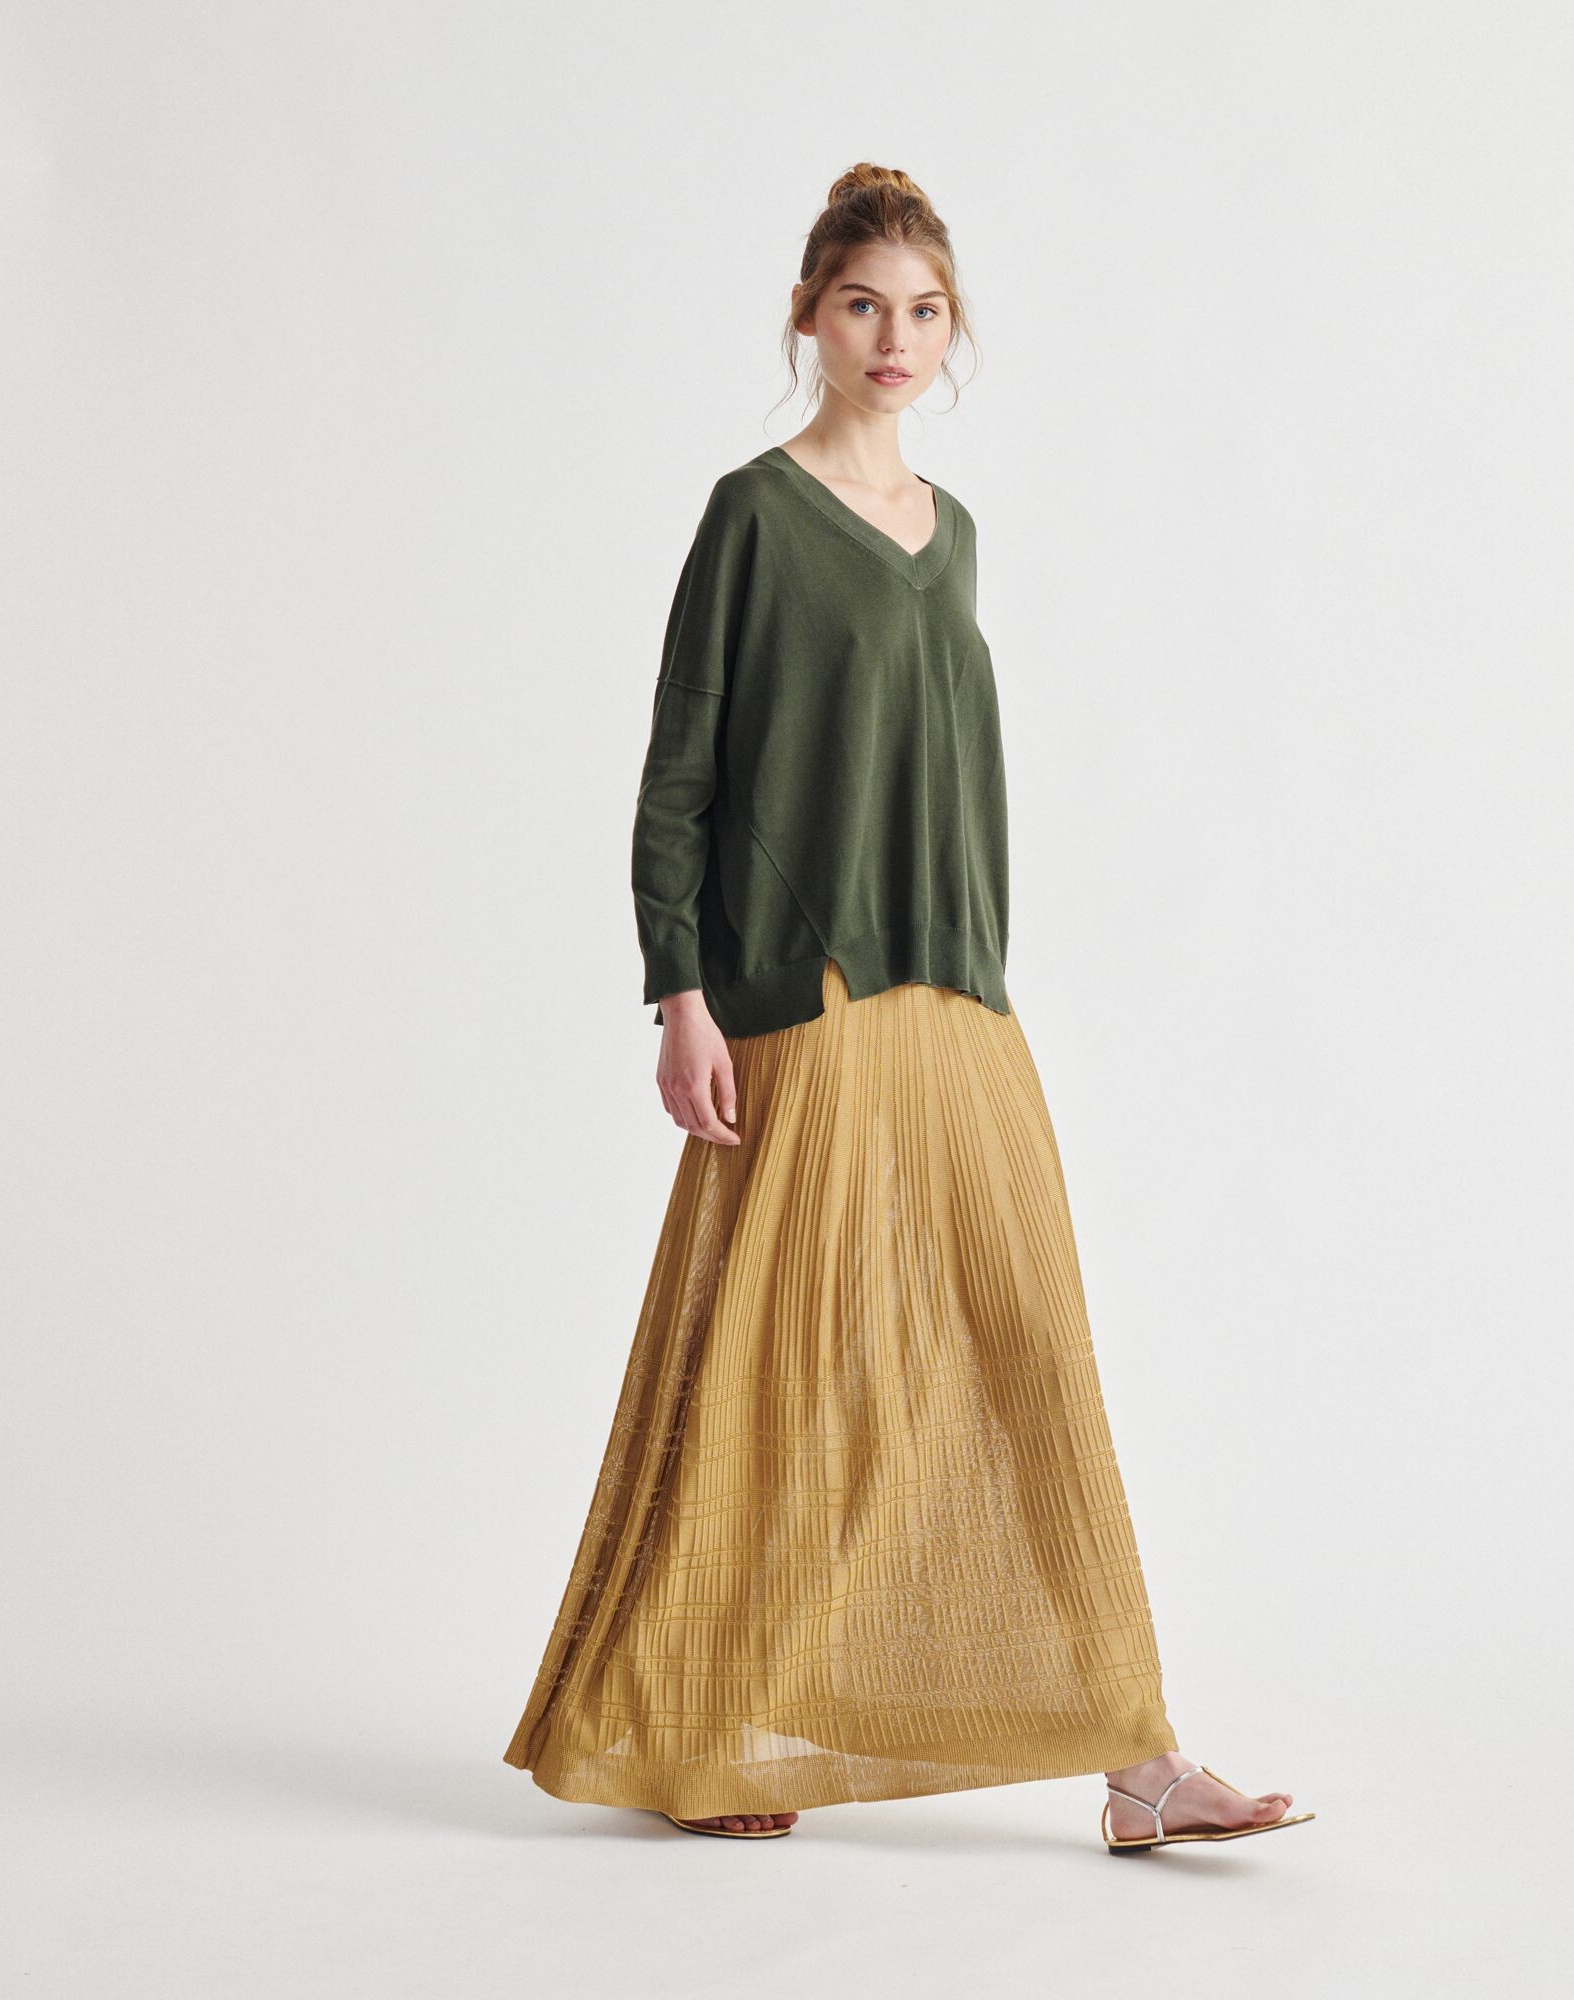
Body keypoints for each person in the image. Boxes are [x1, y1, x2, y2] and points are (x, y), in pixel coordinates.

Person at [503, 163, 1313, 1854]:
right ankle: (721, 1734)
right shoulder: (754, 514)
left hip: (958, 995)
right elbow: (679, 773)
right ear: (809, 316)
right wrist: (679, 994)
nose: (895, 335)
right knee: (786, 1374)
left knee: (1031, 1351)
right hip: (803, 995)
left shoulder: (959, 533)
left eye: (925, 309)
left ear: (953, 331)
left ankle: (1139, 1762)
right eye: (864, 302)